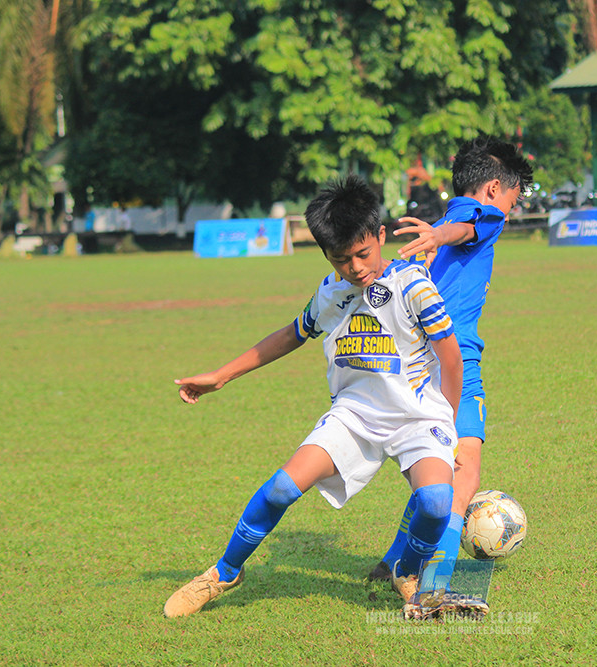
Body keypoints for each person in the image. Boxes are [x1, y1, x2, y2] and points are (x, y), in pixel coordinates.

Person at [163, 175, 463, 619]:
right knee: (282, 488)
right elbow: (291, 335)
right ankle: (224, 572)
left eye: (364, 254)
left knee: (437, 502)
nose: (356, 268)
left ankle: (409, 571)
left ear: (380, 237)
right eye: (343, 260)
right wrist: (221, 376)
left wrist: (448, 429)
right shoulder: (331, 292)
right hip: (354, 417)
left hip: (418, 418)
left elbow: (451, 358)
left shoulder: (413, 285)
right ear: (327, 256)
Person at [367, 136, 533, 617]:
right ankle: (435, 584)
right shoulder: (475, 220)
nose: (511, 207)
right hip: (455, 355)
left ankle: (394, 561)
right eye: (513, 197)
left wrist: (436, 237)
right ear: (493, 189)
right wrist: (443, 237)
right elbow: (469, 229)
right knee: (466, 467)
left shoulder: (437, 223)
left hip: (414, 361)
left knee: (435, 461)